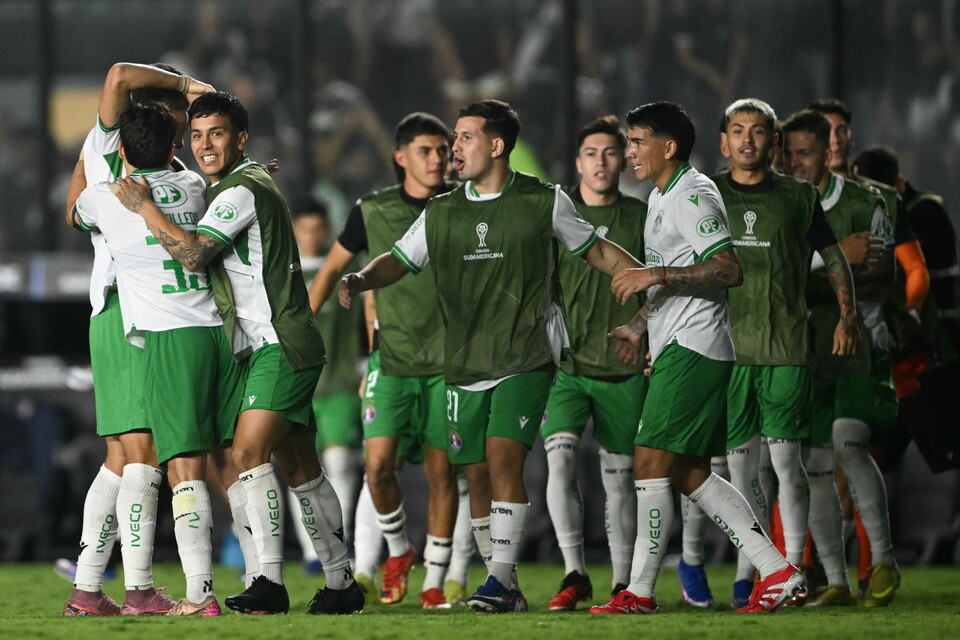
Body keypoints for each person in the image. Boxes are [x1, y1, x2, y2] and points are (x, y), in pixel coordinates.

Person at [339, 99, 645, 614]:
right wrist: (362, 277)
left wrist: (650, 280)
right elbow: (401, 259)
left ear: (497, 145)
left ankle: (500, 582)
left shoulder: (543, 200)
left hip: (526, 355)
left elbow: (596, 251)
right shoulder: (442, 210)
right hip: (463, 362)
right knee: (476, 472)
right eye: (454, 138)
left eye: (465, 136)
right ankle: (503, 582)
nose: (453, 147)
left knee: (504, 459)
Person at [113, 91, 362, 615]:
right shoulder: (243, 184)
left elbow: (196, 254)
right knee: (301, 469)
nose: (204, 145)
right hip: (276, 342)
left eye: (217, 134)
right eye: (197, 135)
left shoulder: (239, 191)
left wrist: (145, 206)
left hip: (278, 343)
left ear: (240, 139)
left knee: (245, 454)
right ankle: (341, 583)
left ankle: (268, 581)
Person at [588, 101, 803, 615]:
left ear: (668, 148)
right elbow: (677, 270)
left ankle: (639, 591)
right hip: (679, 346)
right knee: (686, 472)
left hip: (695, 347)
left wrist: (655, 276)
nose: (629, 152)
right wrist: (641, 326)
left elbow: (729, 269)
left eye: (637, 142)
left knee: (648, 461)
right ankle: (777, 571)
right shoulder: (663, 195)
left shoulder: (693, 192)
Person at [677, 99, 859, 609]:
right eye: (738, 131)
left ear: (773, 142)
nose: (748, 140)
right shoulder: (703, 194)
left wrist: (848, 317)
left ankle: (794, 569)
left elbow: (836, 259)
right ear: (723, 141)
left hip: (785, 349)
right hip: (726, 352)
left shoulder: (799, 196)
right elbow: (675, 265)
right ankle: (765, 568)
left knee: (784, 462)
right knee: (738, 473)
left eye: (759, 132)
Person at [73, 101, 243, 616]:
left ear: (122, 147)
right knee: (143, 455)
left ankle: (92, 588)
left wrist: (92, 152)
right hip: (151, 318)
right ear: (173, 146)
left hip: (137, 316)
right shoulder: (193, 185)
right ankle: (137, 588)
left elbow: (73, 209)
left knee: (129, 458)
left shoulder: (104, 191)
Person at [306, 112, 460, 609]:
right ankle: (399, 551)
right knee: (377, 468)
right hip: (390, 361)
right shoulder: (371, 210)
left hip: (449, 364)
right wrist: (298, 332)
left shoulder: (465, 206)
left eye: (442, 150)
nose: (436, 159)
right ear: (400, 157)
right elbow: (331, 269)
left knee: (442, 474)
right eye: (425, 150)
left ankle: (436, 583)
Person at [783, 109, 901, 607]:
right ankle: (836, 581)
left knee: (847, 444)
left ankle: (885, 562)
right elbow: (777, 280)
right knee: (812, 463)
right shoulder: (779, 207)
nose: (795, 164)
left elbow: (881, 278)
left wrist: (817, 281)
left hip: (859, 344)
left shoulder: (866, 202)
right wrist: (834, 262)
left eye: (804, 154)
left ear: (828, 151)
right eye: (787, 155)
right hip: (802, 347)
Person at [541, 115, 646, 610]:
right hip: (568, 369)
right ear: (577, 162)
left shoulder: (645, 216)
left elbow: (664, 283)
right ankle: (574, 572)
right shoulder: (556, 217)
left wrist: (646, 334)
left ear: (623, 159)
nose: (601, 162)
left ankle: (622, 581)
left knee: (620, 481)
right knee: (558, 463)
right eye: (591, 153)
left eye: (610, 152)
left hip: (624, 368)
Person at [852, 148, 960, 472]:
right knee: (875, 453)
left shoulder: (922, 211)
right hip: (903, 353)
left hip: (934, 351)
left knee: (945, 445)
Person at [290, 203, 364, 574]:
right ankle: (309, 552)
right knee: (297, 468)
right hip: (294, 388)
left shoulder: (344, 275)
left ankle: (340, 540)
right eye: (304, 228)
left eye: (319, 228)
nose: (312, 236)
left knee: (339, 462)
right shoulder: (279, 275)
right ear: (294, 229)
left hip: (338, 383)